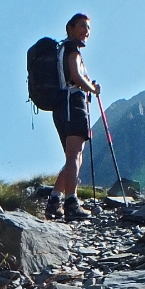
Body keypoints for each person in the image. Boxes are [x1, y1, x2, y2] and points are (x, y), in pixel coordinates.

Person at [47, 13, 101, 221]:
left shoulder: (63, 49)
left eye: (88, 27)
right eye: (81, 26)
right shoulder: (71, 49)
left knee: (74, 156)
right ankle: (71, 202)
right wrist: (93, 89)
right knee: (74, 156)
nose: (86, 31)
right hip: (72, 104)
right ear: (69, 28)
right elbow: (76, 76)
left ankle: (54, 200)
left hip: (62, 105)